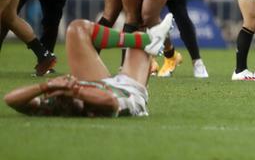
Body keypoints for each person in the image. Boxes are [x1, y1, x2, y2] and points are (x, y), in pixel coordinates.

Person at [3, 14, 174, 117]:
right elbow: (110, 101)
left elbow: (9, 99)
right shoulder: (96, 108)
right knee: (140, 40)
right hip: (128, 88)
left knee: (76, 28)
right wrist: (73, 90)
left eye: (60, 98)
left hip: (95, 82)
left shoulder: (53, 105)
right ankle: (149, 41)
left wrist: (46, 86)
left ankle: (149, 40)